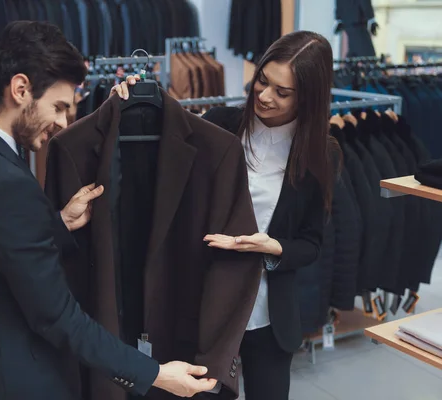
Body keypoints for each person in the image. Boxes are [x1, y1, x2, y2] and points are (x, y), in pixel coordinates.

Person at [0, 21, 217, 400]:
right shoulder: (7, 183)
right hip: (27, 384)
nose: (64, 122)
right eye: (59, 107)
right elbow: (59, 317)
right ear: (20, 89)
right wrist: (156, 373)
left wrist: (57, 223)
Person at [115, 31, 340, 400]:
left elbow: (312, 243)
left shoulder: (320, 155)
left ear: (309, 97)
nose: (265, 96)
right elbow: (156, 142)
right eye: (262, 82)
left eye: (282, 92)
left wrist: (273, 247)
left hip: (268, 315)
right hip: (207, 306)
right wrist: (127, 101)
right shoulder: (220, 124)